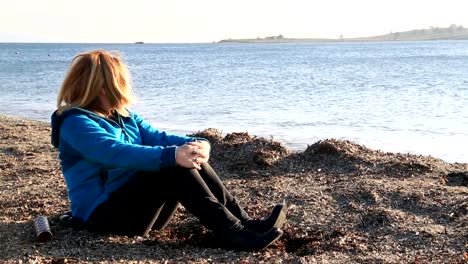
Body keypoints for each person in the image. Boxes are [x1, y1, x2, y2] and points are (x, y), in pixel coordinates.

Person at [51, 49, 287, 252]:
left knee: (188, 156)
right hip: (102, 218)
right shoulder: (76, 123)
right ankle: (232, 233)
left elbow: (159, 137)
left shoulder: (122, 116)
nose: (123, 88)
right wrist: (172, 155)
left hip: (138, 212)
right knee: (172, 164)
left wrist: (199, 144)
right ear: (103, 87)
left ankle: (245, 223)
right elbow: (113, 151)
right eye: (120, 82)